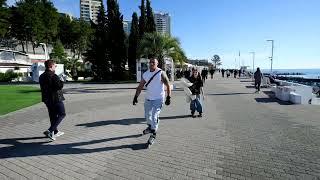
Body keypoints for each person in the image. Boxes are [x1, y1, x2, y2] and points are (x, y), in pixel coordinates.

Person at [133, 58, 171, 146]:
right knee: (147, 116)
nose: (151, 63)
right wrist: (135, 97)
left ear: (157, 64)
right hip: (148, 99)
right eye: (150, 62)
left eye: (153, 62)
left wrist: (169, 97)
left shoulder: (161, 73)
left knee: (154, 116)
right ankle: (150, 127)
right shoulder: (146, 74)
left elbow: (168, 85)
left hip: (158, 99)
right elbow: (140, 86)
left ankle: (153, 134)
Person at [39, 60, 66, 141]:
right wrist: (62, 80)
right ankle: (50, 131)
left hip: (47, 99)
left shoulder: (42, 76)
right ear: (51, 66)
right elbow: (59, 86)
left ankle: (55, 131)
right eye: (55, 65)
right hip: (56, 98)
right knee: (62, 114)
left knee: (52, 115)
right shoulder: (53, 75)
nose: (55, 67)